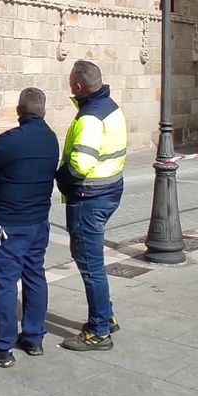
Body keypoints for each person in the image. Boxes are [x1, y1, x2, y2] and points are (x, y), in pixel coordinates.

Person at [0, 87, 59, 368]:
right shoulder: (51, 139)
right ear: (43, 111)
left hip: (9, 224)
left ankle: (2, 345)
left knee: (5, 283)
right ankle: (33, 337)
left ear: (19, 111)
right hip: (38, 222)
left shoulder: (11, 141)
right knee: (34, 275)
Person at [57, 59, 127, 352]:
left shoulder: (90, 117)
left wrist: (60, 176)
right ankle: (105, 315)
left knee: (90, 263)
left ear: (77, 86)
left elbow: (81, 164)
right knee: (92, 259)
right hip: (109, 191)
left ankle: (99, 331)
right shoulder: (111, 107)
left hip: (89, 197)